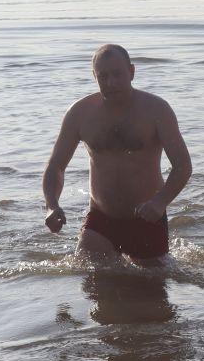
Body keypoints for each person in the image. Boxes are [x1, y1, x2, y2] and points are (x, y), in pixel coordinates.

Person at [43, 44, 191, 265]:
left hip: (147, 218)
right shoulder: (80, 114)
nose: (111, 82)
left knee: (152, 294)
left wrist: (160, 202)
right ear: (94, 76)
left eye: (117, 74)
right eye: (103, 76)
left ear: (131, 72)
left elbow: (183, 166)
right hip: (101, 219)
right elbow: (56, 166)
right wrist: (52, 205)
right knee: (93, 288)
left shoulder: (156, 110)